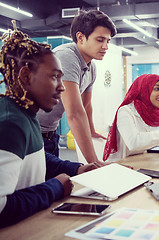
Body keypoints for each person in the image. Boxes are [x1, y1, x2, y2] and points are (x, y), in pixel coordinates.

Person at [0, 23, 99, 228]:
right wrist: (54, 188)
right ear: (26, 76)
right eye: (55, 77)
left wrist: (76, 169)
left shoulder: (25, 114)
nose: (62, 87)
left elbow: (35, 157)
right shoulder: (11, 123)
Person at [36, 10, 116, 165]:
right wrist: (94, 162)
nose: (105, 46)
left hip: (51, 134)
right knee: (42, 185)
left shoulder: (91, 67)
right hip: (32, 133)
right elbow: (74, 114)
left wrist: (92, 131)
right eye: (100, 40)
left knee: (51, 180)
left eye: (108, 41)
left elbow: (86, 105)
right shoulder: (65, 57)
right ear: (80, 37)